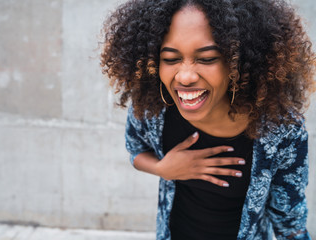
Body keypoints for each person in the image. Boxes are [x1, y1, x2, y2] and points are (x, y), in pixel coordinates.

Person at [100, 0, 316, 239]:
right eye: (171, 59)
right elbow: (136, 150)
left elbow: (290, 224)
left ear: (239, 63)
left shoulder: (281, 130)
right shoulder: (153, 108)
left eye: (207, 58)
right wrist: (165, 169)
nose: (185, 76)